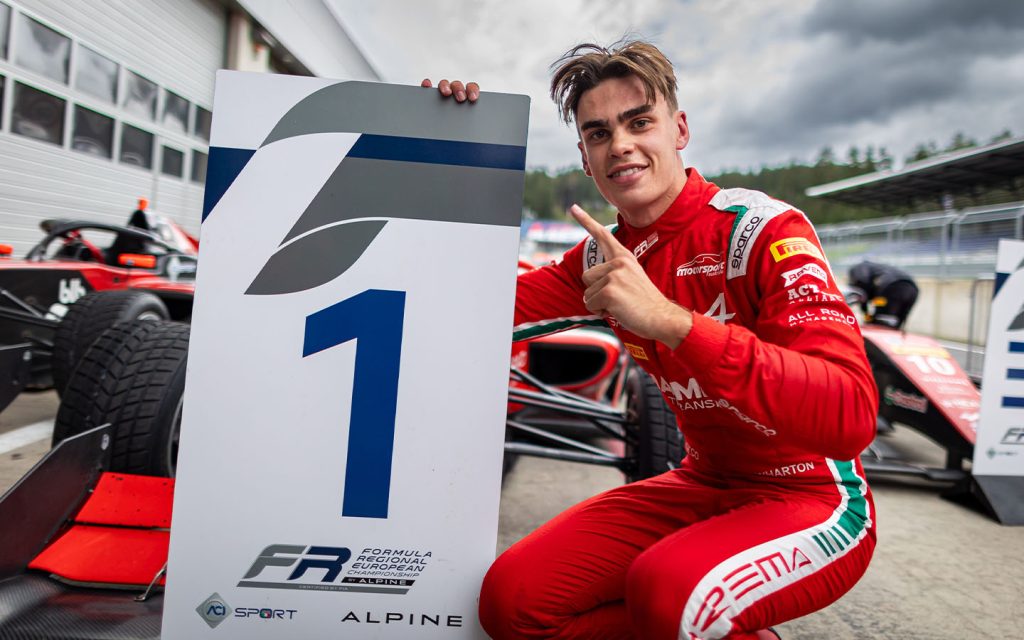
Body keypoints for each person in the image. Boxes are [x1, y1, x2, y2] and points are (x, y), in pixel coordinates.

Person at [425, 40, 877, 640]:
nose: (621, 145)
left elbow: (850, 416)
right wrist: (444, 154)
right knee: (511, 604)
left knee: (668, 589)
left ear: (679, 129)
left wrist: (672, 321)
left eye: (640, 123)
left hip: (814, 497)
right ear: (586, 160)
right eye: (598, 133)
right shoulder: (600, 257)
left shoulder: (761, 228)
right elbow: (460, 306)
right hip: (703, 481)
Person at [847, 260, 919, 330]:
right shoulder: (877, 269)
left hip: (892, 286)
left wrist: (866, 313)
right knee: (895, 323)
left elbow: (862, 287)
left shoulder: (858, 268)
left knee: (881, 322)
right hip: (913, 289)